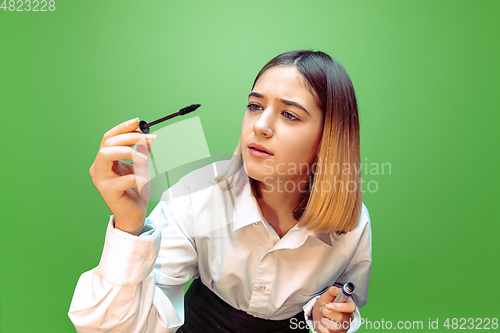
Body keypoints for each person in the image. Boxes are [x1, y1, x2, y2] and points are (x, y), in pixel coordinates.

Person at [68, 50, 372, 333]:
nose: (260, 126)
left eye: (289, 115)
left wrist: (324, 313)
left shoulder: (354, 225)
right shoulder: (196, 193)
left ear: (329, 138)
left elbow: (346, 298)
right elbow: (115, 329)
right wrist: (129, 226)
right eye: (255, 106)